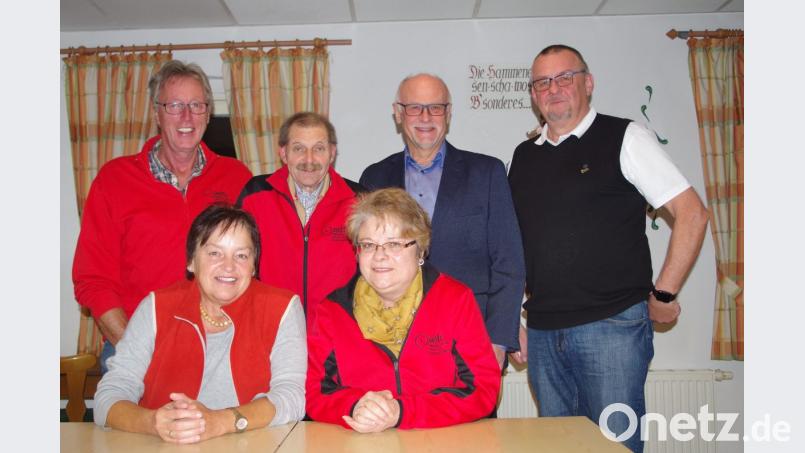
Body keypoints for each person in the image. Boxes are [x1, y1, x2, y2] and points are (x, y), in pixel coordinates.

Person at [508, 44, 709, 452]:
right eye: (542, 82)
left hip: (613, 327)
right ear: (533, 95)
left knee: (614, 446)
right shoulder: (523, 156)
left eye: (565, 77)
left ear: (588, 82)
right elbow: (515, 245)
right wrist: (512, 320)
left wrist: (664, 293)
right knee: (558, 447)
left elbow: (692, 213)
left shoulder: (626, 136)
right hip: (544, 332)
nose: (554, 89)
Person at [72, 60, 252, 372]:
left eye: (196, 105)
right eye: (174, 105)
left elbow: (252, 266)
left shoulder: (235, 177)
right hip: (134, 348)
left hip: (218, 350)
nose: (186, 116)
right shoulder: (115, 179)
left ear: (208, 113)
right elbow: (93, 279)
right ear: (156, 113)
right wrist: (134, 349)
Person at [94, 204, 306, 443]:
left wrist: (219, 421)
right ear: (191, 261)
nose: (228, 266)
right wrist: (153, 422)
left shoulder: (282, 308)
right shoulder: (156, 307)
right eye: (214, 253)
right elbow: (108, 397)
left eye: (241, 255)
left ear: (254, 266)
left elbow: (292, 398)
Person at [359, 74, 525, 369]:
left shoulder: (487, 173)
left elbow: (508, 262)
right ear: (398, 113)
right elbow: (366, 265)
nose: (426, 117)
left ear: (448, 114)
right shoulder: (375, 178)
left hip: (471, 338)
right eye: (414, 108)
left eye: (436, 107)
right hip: (395, 342)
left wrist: (498, 340)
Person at [306, 188, 500, 432]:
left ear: (420, 251)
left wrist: (402, 411)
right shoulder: (331, 311)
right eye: (368, 245)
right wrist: (355, 406)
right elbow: (314, 394)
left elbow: (483, 390)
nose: (379, 256)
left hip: (441, 442)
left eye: (394, 244)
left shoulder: (455, 300)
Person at [237, 112, 363, 328]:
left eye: (319, 148)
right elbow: (236, 264)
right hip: (269, 330)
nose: (309, 159)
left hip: (337, 334)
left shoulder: (360, 201)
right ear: (283, 153)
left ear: (332, 153)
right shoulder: (254, 196)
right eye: (298, 148)